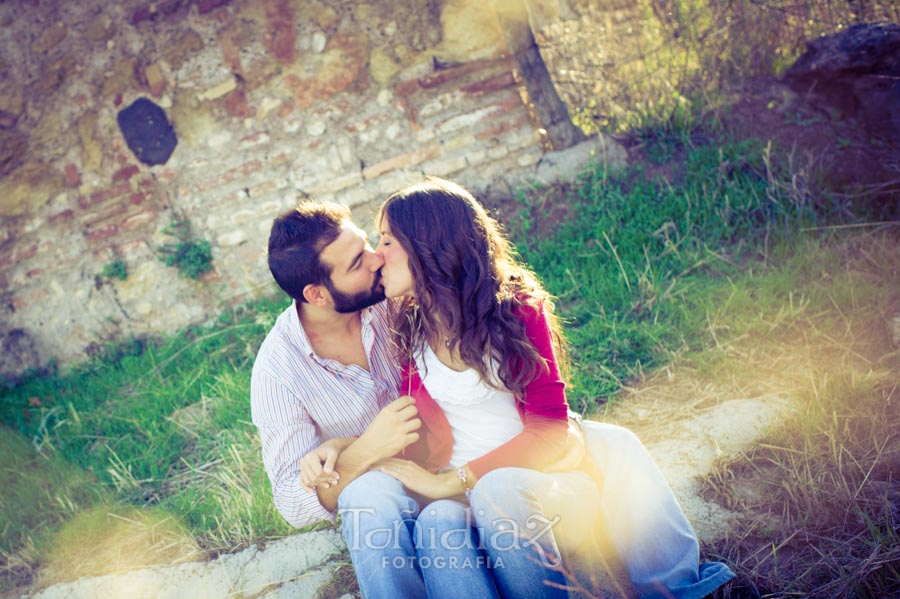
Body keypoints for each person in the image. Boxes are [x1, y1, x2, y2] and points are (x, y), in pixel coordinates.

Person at [346, 176, 735, 598]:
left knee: (506, 486)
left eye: (386, 240)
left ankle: (680, 590)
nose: (375, 255)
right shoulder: (409, 327)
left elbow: (549, 432)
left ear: (428, 245)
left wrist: (451, 481)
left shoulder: (515, 311)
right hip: (465, 499)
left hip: (541, 487)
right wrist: (343, 452)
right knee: (437, 520)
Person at [251, 201, 501, 598]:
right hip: (388, 495)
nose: (375, 260)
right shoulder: (278, 370)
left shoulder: (396, 294)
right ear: (316, 294)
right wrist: (365, 451)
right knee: (365, 495)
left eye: (367, 244)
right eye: (355, 263)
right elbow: (290, 500)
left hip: (464, 456)